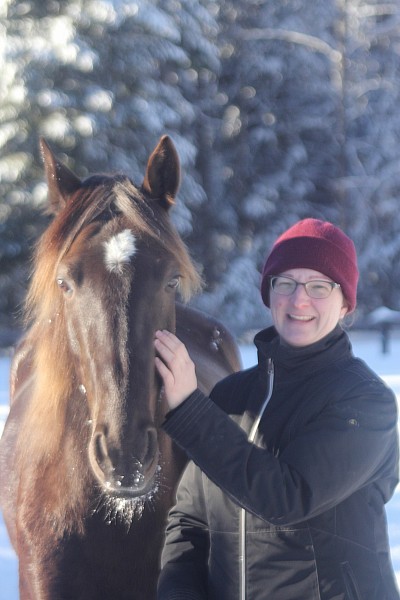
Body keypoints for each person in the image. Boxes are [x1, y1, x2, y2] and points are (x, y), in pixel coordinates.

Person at [154, 218, 400, 600]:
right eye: (285, 283)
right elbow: (189, 519)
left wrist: (189, 409)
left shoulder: (365, 401)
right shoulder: (231, 396)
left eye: (319, 286)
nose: (299, 300)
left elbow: (287, 497)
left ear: (346, 303)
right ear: (270, 294)